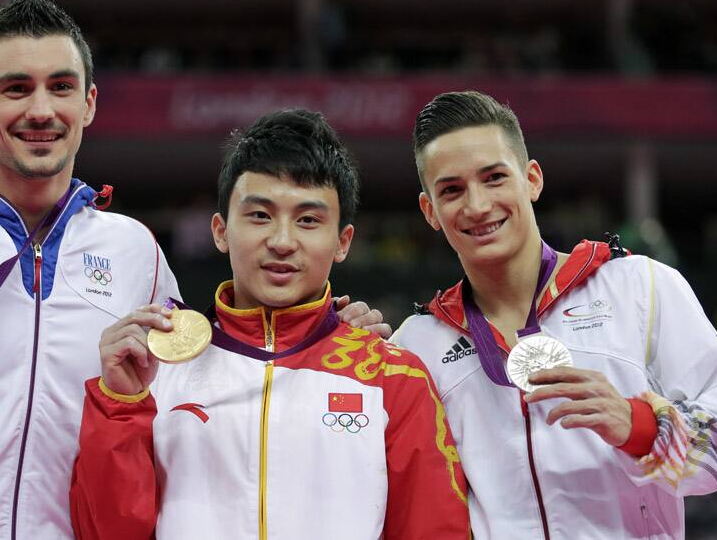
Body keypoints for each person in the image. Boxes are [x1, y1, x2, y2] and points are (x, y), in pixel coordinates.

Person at [0, 0, 386, 539]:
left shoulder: (134, 252)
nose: (42, 109)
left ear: (90, 103)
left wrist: (324, 335)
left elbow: (210, 378)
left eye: (61, 86)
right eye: (17, 88)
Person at [69, 109, 470, 539]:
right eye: (259, 215)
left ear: (343, 242)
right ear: (221, 231)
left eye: (308, 220)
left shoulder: (394, 378)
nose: (281, 241)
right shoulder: (154, 371)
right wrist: (120, 405)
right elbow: (105, 532)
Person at [390, 90, 717, 539]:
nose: (476, 206)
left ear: (531, 179)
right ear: (430, 211)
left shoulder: (639, 289)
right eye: (452, 190)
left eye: (494, 177)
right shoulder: (416, 345)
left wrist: (640, 426)